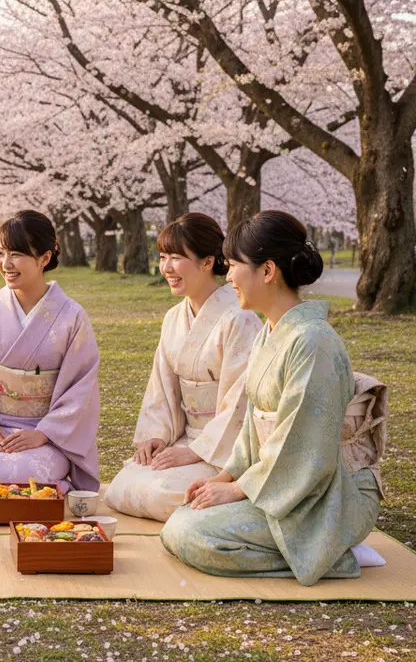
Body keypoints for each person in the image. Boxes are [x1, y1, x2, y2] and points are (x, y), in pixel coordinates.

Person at [161, 211, 387, 585]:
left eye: (234, 266)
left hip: (329, 493)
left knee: (193, 535)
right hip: (281, 482)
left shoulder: (313, 342)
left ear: (267, 271)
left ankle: (329, 549)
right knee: (180, 522)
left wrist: (236, 489)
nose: (228, 276)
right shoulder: (272, 330)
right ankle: (312, 549)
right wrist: (223, 476)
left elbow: (305, 447)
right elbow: (254, 427)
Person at [104, 213, 261, 521]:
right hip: (186, 438)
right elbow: (161, 387)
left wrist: (197, 451)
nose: (166, 268)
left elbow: (241, 402)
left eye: (176, 258)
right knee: (123, 486)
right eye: (163, 257)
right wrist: (158, 437)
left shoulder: (239, 319)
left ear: (207, 262)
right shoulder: (174, 317)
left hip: (224, 449)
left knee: (161, 491)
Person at [0, 210, 100, 502]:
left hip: (46, 432)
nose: (6, 264)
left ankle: (54, 483)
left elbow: (81, 387)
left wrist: (45, 433)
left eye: (17, 254)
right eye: (0, 253)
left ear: (45, 259)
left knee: (35, 474)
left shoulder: (72, 317)